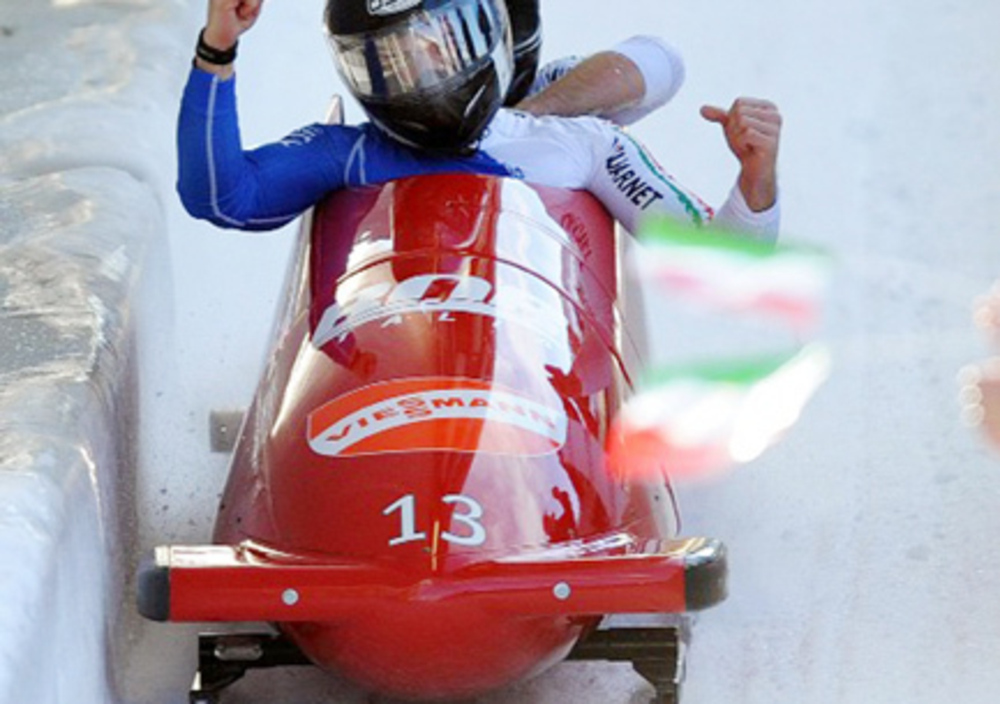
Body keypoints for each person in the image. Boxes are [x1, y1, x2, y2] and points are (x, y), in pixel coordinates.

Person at [180, 0, 781, 242]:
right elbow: (221, 196)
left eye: (439, 49)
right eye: (395, 62)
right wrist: (218, 48)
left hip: (536, 358)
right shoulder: (349, 152)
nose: (422, 79)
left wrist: (756, 179)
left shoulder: (581, 143)